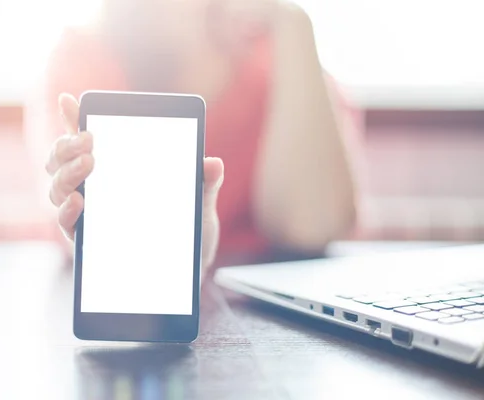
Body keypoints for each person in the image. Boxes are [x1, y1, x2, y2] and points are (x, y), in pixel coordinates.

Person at [25, 0, 359, 273]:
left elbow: (310, 228)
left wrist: (292, 21)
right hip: (139, 298)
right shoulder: (85, 54)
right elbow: (71, 213)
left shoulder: (279, 53)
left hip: (268, 320)